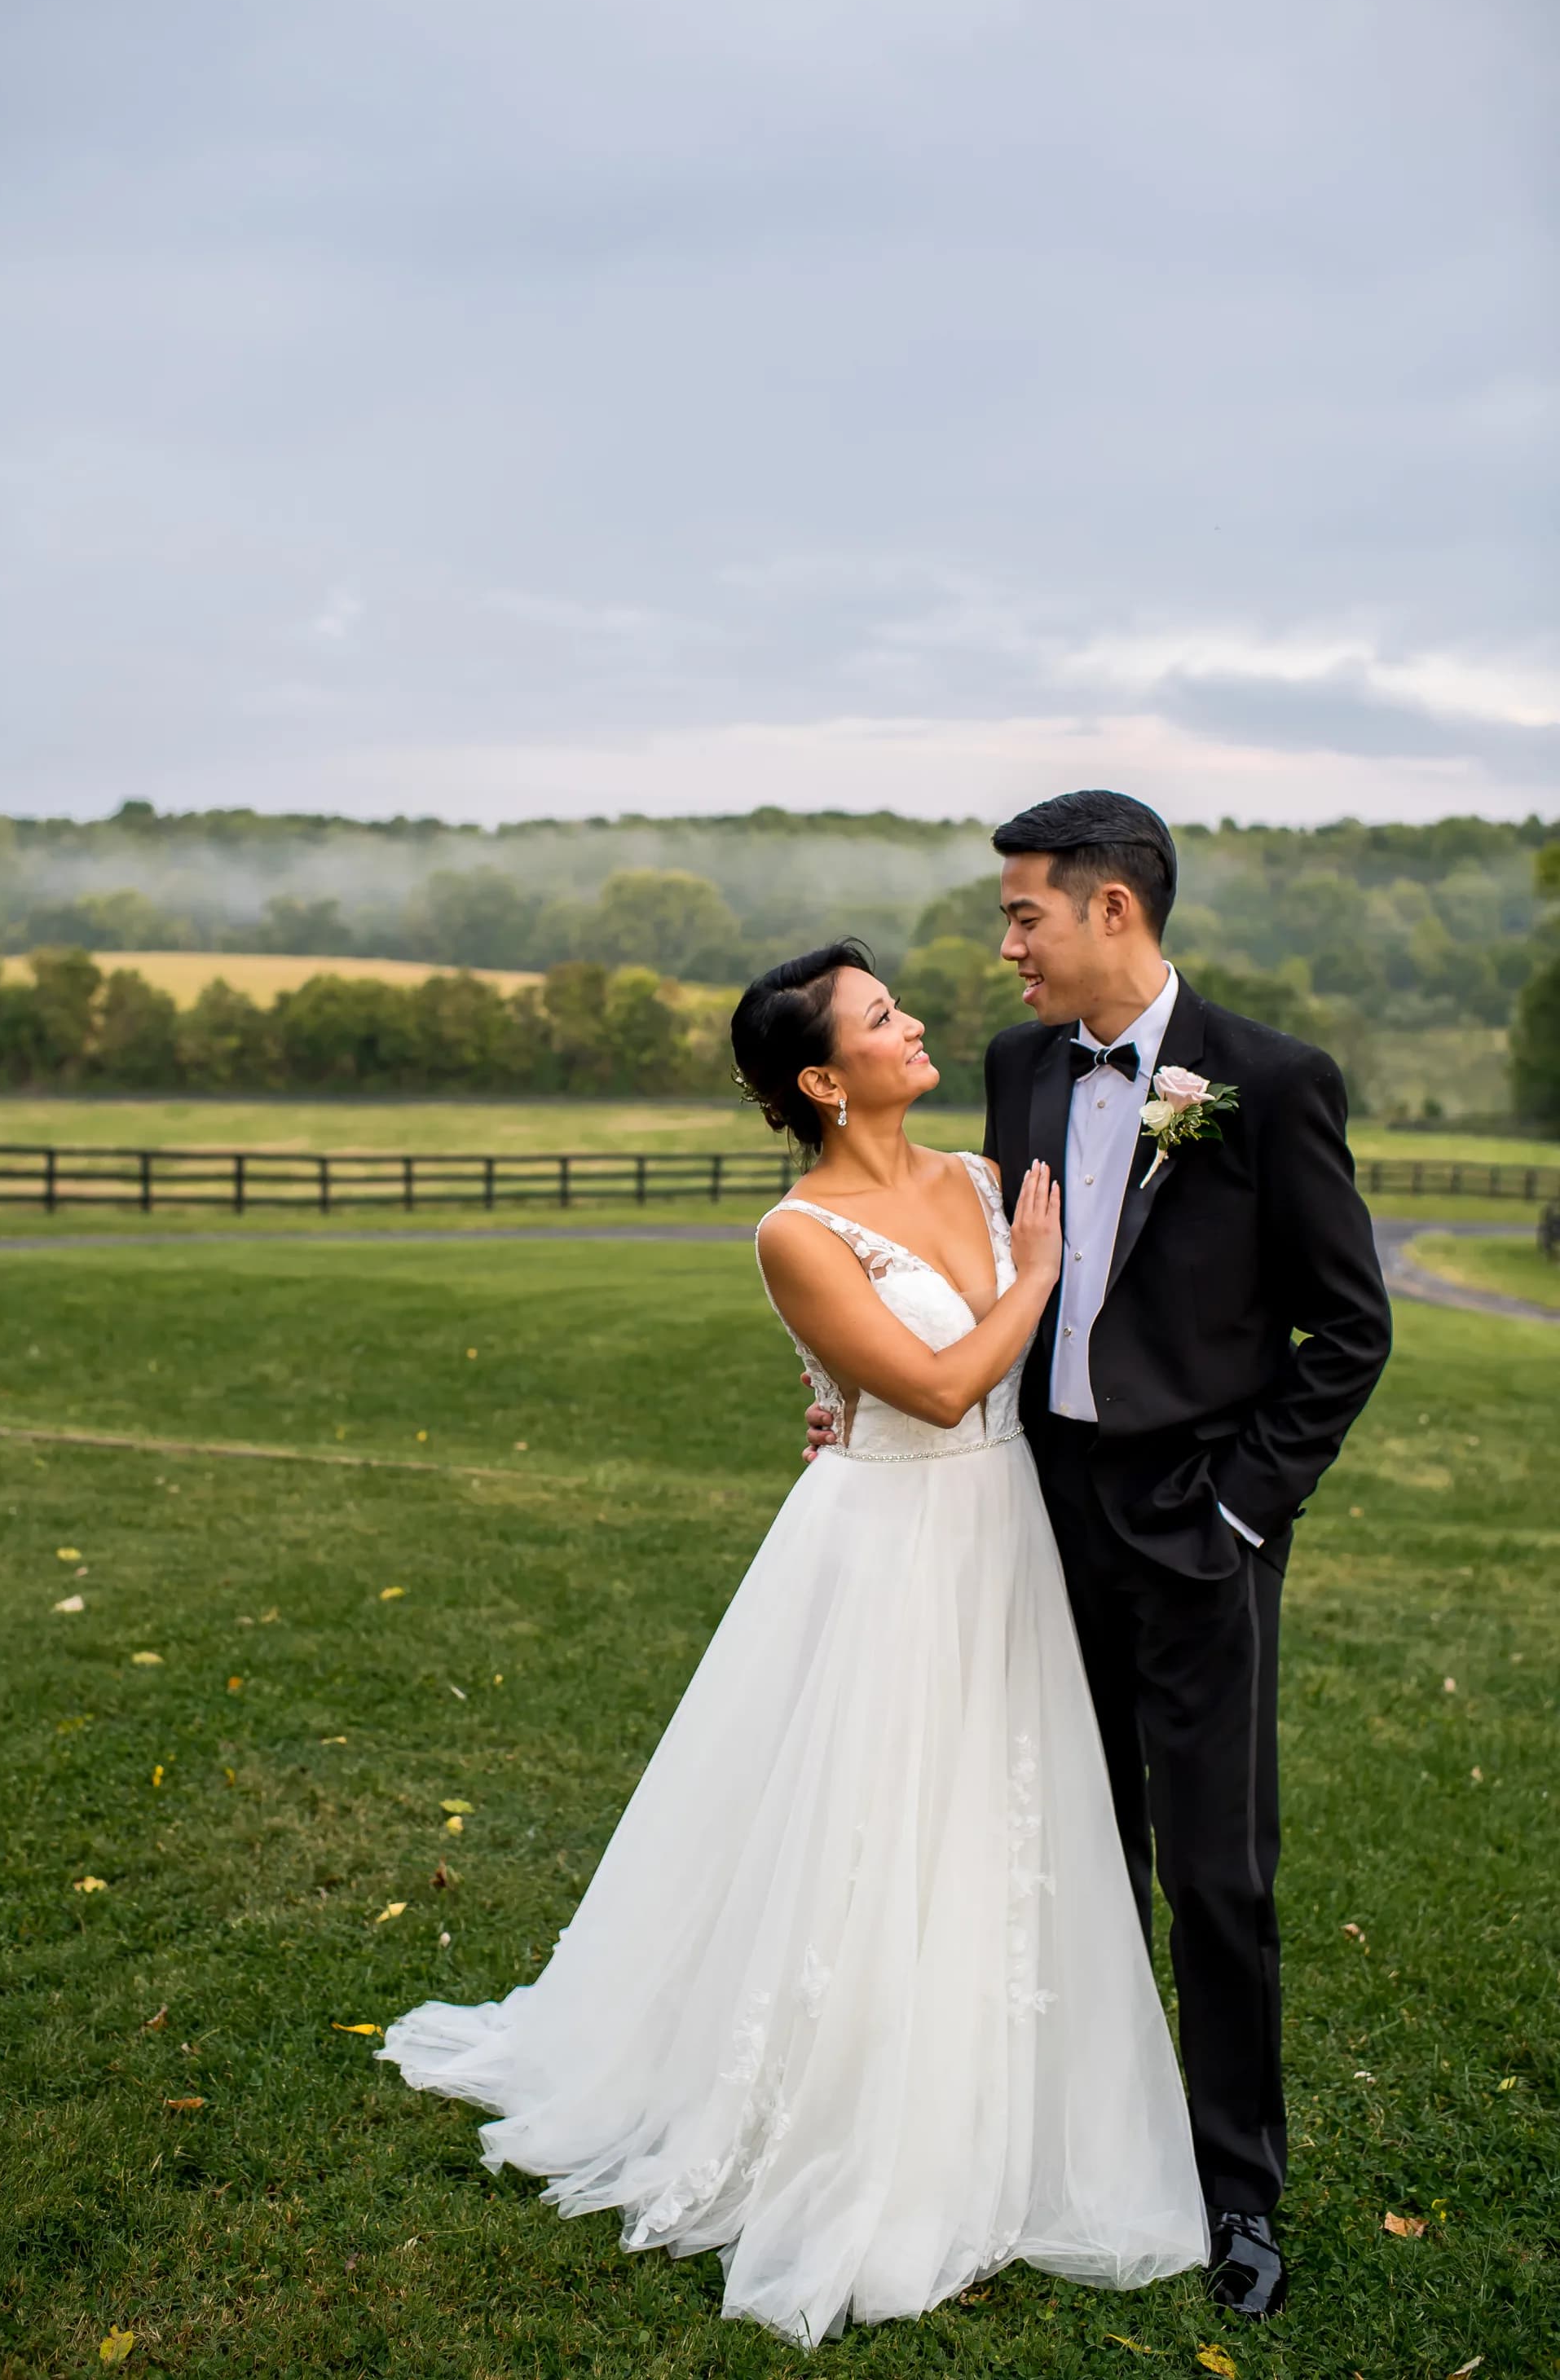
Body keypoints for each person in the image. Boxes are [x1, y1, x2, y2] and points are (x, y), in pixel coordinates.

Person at [379, 939, 1209, 2347]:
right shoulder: (798, 1234)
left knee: (988, 1807)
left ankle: (991, 2083)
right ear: (825, 1081)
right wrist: (1038, 1275)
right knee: (870, 1817)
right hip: (887, 1540)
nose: (916, 1022)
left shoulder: (979, 1176)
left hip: (1005, 1530)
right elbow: (937, 1388)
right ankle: (846, 2104)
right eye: (883, 1017)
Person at [806, 790, 1392, 2320]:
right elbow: (973, 1273)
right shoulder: (1019, 1070)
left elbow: (1350, 1330)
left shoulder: (1271, 1082)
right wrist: (863, 1397)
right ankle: (1078, 2146)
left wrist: (1242, 1511)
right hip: (1031, 1519)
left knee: (1217, 1874)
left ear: (1109, 908)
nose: (1006, 946)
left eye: (1024, 915)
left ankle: (1236, 2191)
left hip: (1200, 1534)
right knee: (1064, 1848)